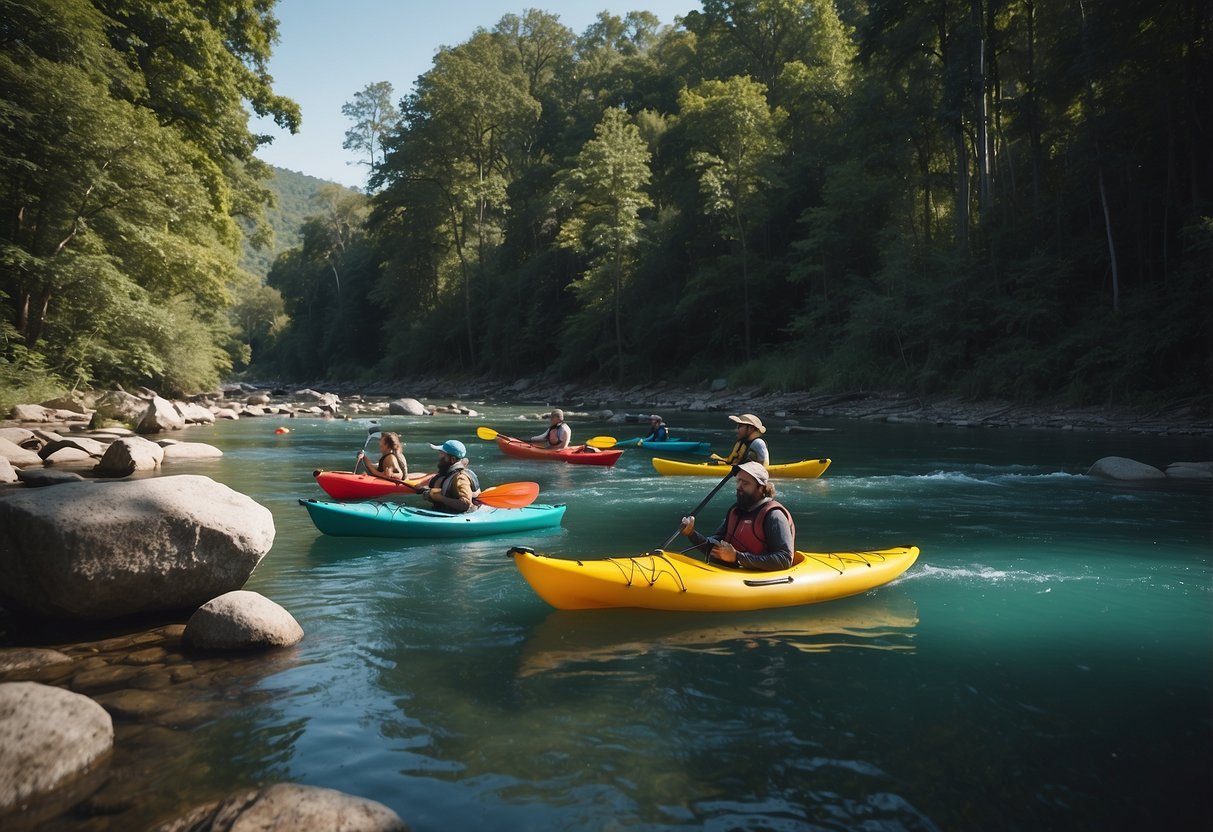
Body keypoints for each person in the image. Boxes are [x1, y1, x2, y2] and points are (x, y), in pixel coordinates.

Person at [679, 461, 795, 571]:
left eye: (745, 483)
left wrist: (737, 557)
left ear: (761, 488)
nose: (739, 486)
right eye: (738, 481)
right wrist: (691, 534)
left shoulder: (774, 516)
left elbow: (784, 559)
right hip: (730, 575)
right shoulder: (736, 511)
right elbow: (714, 548)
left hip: (757, 581)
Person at [416, 439, 480, 514]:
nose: (439, 457)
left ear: (452, 459)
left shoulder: (461, 478)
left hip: (460, 519)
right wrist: (426, 490)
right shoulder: (450, 473)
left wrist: (440, 498)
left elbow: (465, 504)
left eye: (442, 454)